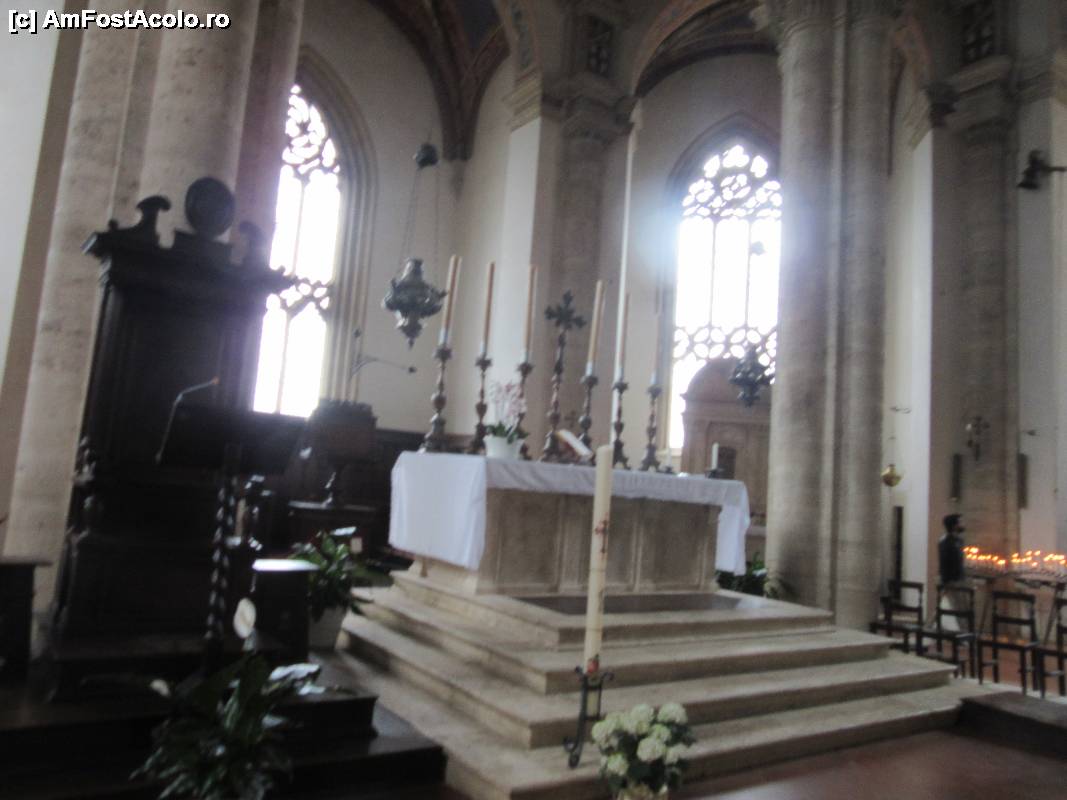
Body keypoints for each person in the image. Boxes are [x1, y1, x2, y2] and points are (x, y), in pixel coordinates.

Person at [938, 513, 966, 585]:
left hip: (959, 581)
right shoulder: (946, 542)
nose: (963, 524)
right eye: (960, 522)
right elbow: (944, 564)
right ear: (954, 526)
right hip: (950, 583)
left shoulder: (959, 540)